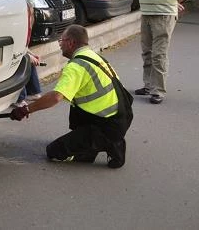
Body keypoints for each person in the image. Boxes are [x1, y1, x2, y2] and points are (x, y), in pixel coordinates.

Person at [9, 25, 131, 169]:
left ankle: (108, 144)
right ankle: (101, 142)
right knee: (76, 113)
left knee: (53, 152)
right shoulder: (93, 56)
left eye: (61, 41)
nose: (60, 45)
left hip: (106, 125)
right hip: (121, 116)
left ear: (71, 42)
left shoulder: (76, 66)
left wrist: (25, 110)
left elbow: (55, 97)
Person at [136, 0, 191, 104]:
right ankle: (148, 85)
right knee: (147, 52)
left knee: (158, 54)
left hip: (163, 15)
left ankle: (157, 91)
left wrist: (173, 2)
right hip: (146, 13)